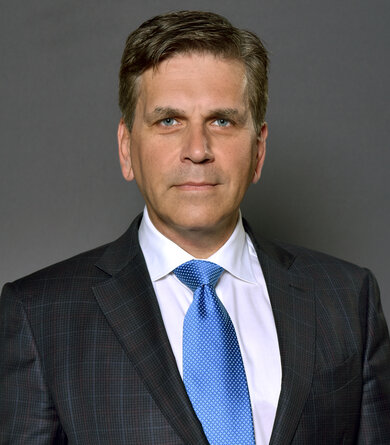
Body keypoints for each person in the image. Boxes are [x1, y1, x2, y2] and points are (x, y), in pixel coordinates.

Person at [1, 10, 389, 445]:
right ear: (127, 149)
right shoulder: (40, 315)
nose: (198, 150)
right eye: (169, 121)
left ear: (258, 150)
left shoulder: (348, 300)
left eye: (222, 121)